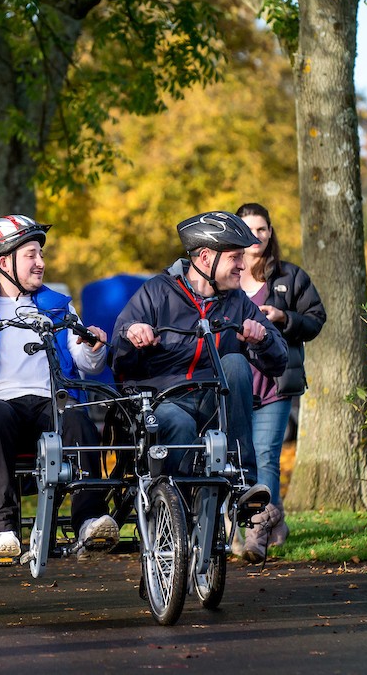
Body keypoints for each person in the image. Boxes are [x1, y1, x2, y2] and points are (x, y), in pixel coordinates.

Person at [0, 214, 118, 562]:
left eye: (41, 255)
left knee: (77, 417)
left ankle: (89, 520)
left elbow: (87, 365)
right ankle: (1, 530)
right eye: (31, 255)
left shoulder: (59, 307)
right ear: (4, 262)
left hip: (49, 405)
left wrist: (94, 348)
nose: (41, 263)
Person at [110, 210, 289, 522]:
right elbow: (117, 360)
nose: (243, 265)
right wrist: (132, 337)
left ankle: (241, 482)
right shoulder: (157, 292)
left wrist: (262, 339)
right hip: (163, 401)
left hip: (213, 403)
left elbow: (279, 360)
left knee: (235, 362)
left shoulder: (238, 301)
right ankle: (174, 514)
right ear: (206, 258)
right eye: (235, 257)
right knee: (179, 423)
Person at [234, 202, 326, 562]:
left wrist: (284, 317)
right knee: (237, 459)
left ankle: (255, 533)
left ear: (270, 232)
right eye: (248, 229)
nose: (256, 236)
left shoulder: (290, 276)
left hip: (275, 383)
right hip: (236, 385)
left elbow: (316, 319)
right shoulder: (225, 277)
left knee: (265, 457)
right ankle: (276, 521)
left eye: (261, 229)